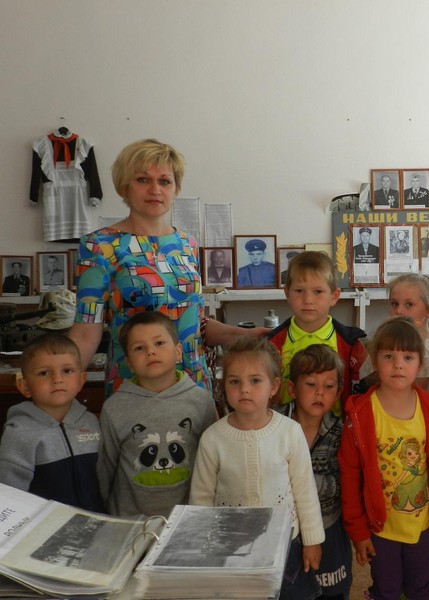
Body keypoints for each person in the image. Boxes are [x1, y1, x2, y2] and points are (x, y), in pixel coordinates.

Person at [68, 139, 267, 396]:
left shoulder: (187, 244)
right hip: (137, 391)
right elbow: (86, 332)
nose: (155, 190)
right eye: (143, 180)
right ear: (124, 186)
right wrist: (60, 386)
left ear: (175, 189)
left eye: (164, 181)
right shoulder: (100, 246)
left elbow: (193, 322)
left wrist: (247, 335)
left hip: (194, 389)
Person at [190, 337, 325, 600]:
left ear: (274, 386)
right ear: (224, 386)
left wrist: (312, 541)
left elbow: (305, 492)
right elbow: (201, 498)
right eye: (234, 381)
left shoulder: (290, 432)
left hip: (286, 543)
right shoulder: (213, 438)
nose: (244, 389)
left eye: (255, 380)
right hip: (231, 547)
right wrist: (203, 548)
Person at [338, 317, 429, 600]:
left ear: (420, 363)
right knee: (386, 590)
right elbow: (349, 476)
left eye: (407, 357)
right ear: (375, 361)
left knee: (421, 588)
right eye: (389, 356)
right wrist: (358, 531)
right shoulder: (360, 414)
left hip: (422, 525)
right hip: (380, 528)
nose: (398, 364)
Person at [97, 312, 216, 517]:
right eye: (139, 348)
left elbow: (212, 465)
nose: (150, 351)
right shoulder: (114, 408)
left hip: (187, 522)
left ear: (178, 352)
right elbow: (104, 471)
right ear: (129, 362)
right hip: (130, 524)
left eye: (159, 343)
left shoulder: (202, 402)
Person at [277, 345, 353, 600]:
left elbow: (341, 484)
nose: (320, 392)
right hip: (284, 529)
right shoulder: (273, 424)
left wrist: (297, 481)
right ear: (292, 389)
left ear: (338, 393)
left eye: (329, 386)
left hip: (328, 526)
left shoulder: (340, 433)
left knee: (331, 591)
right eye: (311, 384)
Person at [0, 333, 103, 512]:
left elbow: (106, 479)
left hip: (97, 522)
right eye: (43, 373)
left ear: (81, 381)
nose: (57, 379)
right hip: (43, 526)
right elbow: (11, 496)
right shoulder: (19, 433)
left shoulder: (91, 422)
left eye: (67, 371)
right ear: (25, 387)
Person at [268, 250, 367, 412]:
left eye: (317, 292)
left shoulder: (352, 344)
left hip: (337, 427)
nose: (308, 300)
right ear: (287, 294)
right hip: (285, 425)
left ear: (334, 296)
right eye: (299, 291)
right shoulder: (271, 344)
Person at [360, 273, 429, 396]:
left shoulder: (427, 352)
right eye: (394, 304)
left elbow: (409, 398)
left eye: (409, 304)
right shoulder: (393, 338)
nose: (399, 311)